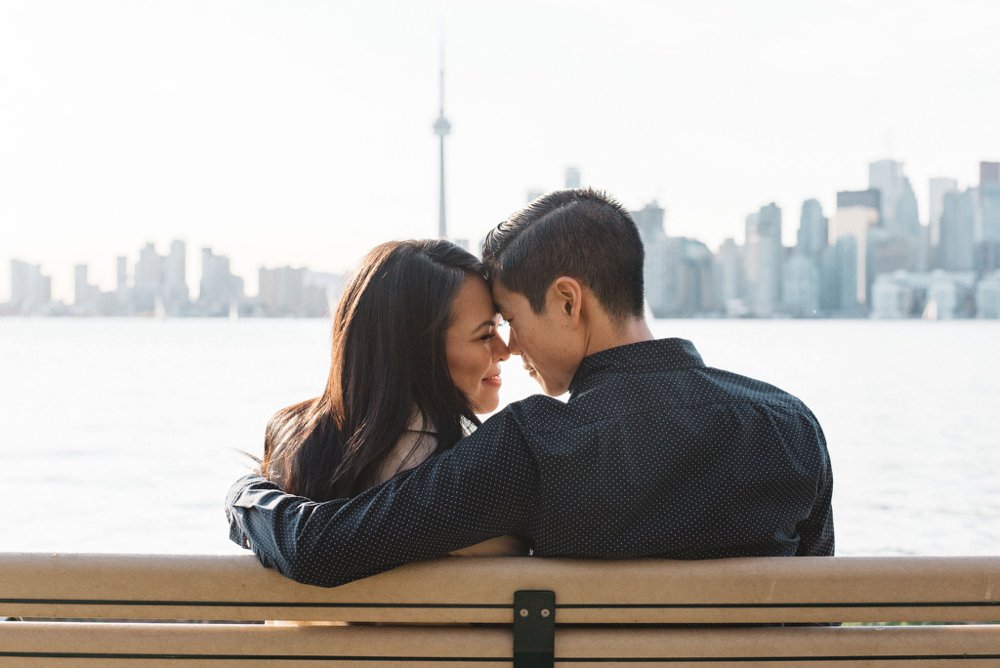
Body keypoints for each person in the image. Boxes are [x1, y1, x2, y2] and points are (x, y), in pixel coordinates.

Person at [227, 188, 834, 587]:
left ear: (569, 301)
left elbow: (324, 548)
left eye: (512, 321)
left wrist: (248, 495)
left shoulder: (534, 448)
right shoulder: (788, 424)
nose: (510, 348)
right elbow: (818, 608)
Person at [257, 239, 521, 556]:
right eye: (485, 334)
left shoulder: (291, 442)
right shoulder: (468, 472)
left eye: (499, 327)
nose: (505, 351)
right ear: (418, 354)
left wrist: (245, 496)